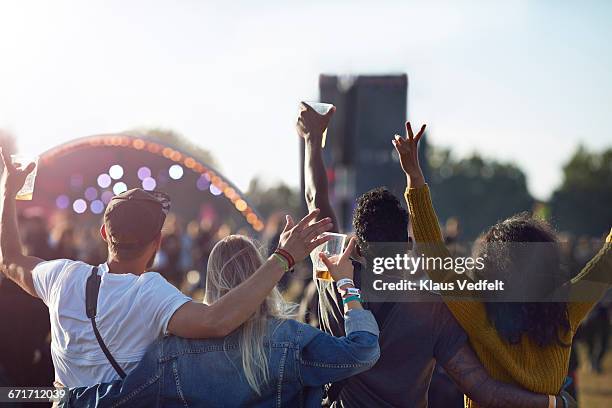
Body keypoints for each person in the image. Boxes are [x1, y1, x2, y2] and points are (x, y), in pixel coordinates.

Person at [297, 104, 573, 407]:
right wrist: (554, 404)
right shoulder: (431, 308)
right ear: (408, 243)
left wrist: (312, 138)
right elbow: (484, 390)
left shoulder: (330, 271)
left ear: (358, 247)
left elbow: (315, 199)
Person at [0, 147, 333, 389]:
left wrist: (8, 192)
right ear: (157, 242)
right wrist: (282, 258)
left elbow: (10, 259)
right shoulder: (150, 293)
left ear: (104, 233)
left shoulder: (62, 277)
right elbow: (217, 321)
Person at [393, 121, 612, 408]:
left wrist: (415, 177)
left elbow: (436, 258)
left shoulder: (478, 310)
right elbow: (605, 264)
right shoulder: (566, 308)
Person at [63, 234, 380, 407]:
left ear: (212, 279)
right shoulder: (290, 340)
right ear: (258, 275)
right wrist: (345, 284)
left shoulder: (171, 355)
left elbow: (115, 399)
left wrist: (63, 396)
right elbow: (363, 351)